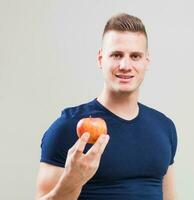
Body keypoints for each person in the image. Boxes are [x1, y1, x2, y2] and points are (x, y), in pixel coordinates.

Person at [35, 13, 178, 200]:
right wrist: (72, 181)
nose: (125, 65)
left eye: (135, 56)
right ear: (101, 59)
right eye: (116, 55)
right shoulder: (67, 128)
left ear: (146, 62)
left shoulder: (164, 127)